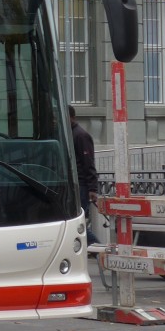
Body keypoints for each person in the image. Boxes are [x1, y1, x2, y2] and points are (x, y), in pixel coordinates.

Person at [70, 105, 99, 246]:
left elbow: (88, 162)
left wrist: (92, 188)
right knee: (76, 223)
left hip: (82, 185)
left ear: (71, 117)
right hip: (76, 184)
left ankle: (98, 249)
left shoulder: (80, 135)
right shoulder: (70, 134)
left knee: (76, 223)